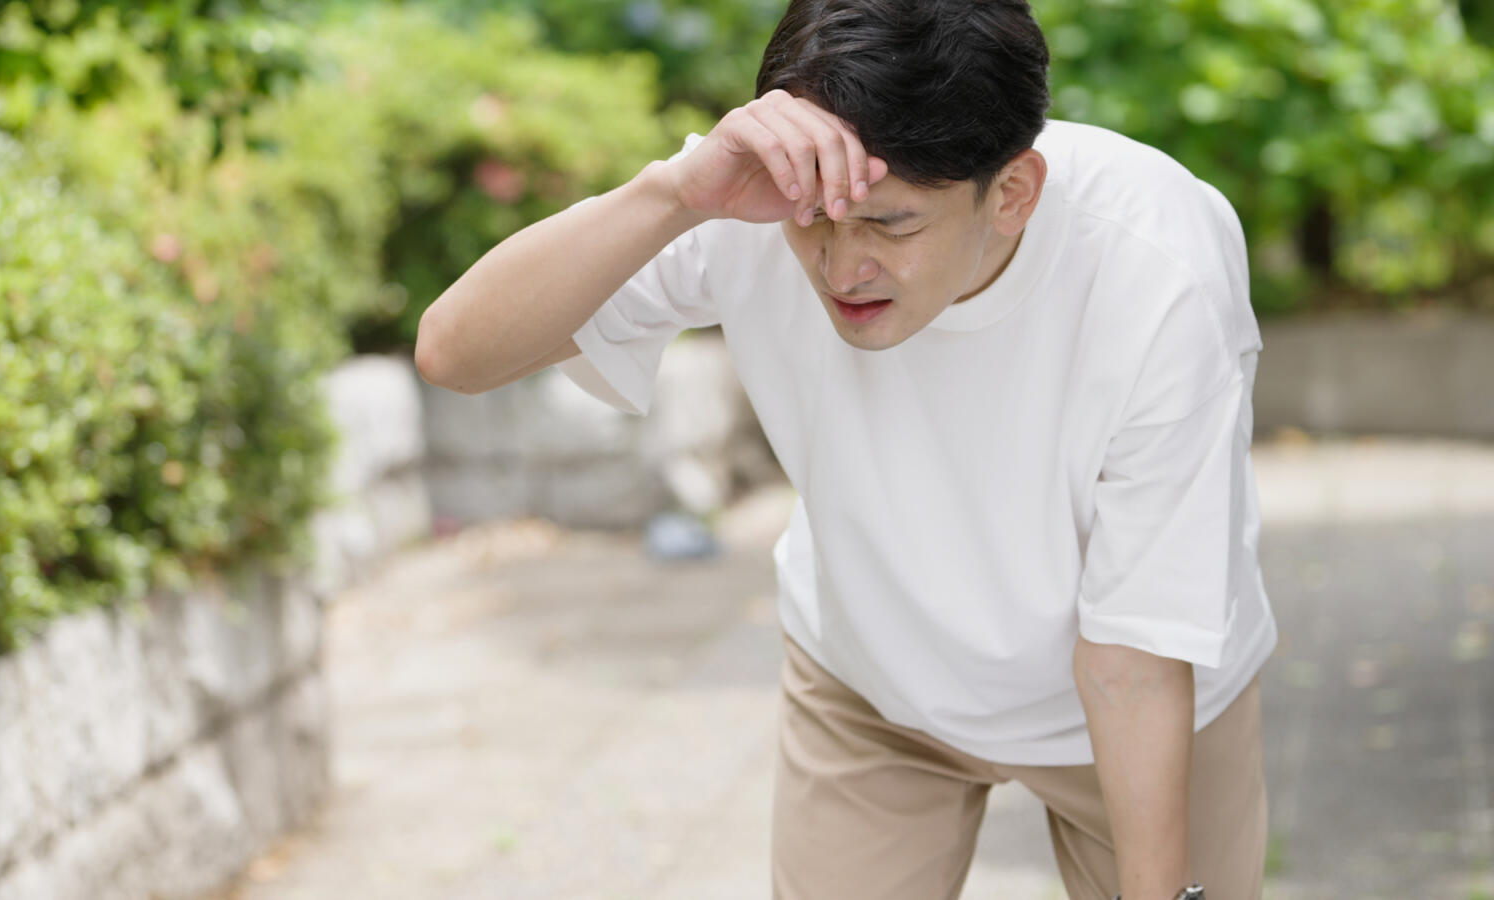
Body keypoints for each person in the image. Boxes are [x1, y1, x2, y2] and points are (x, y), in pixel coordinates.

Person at [414, 1, 1275, 897]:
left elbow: (1133, 655)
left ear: (1013, 192)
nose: (839, 267)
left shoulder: (1157, 261)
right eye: (815, 224)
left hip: (1143, 707)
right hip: (873, 689)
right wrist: (671, 195)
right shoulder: (760, 193)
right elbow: (455, 354)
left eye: (892, 226)